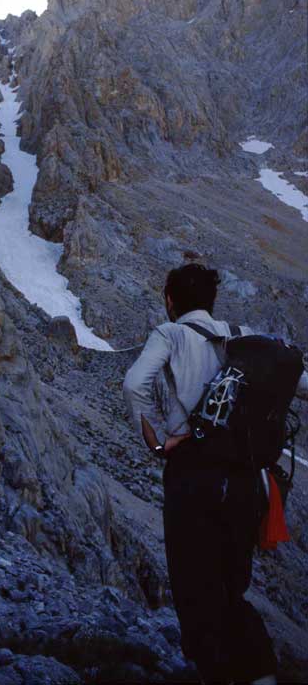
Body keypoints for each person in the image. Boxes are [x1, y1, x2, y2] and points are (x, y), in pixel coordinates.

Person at [123, 263, 308, 685]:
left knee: (196, 590)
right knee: (231, 589)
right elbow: (300, 383)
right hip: (247, 482)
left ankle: (220, 673)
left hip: (194, 475)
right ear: (211, 300)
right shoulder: (243, 338)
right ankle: (260, 673)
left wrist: (157, 441)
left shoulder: (169, 334)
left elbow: (135, 383)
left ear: (170, 300)